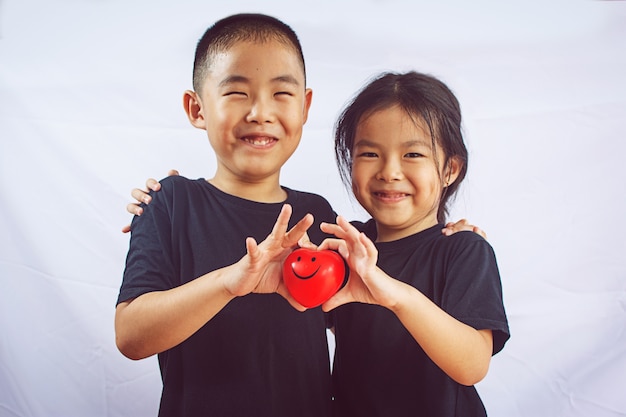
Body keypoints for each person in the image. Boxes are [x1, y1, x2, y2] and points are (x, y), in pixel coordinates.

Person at [115, 13, 337, 417]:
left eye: (281, 94)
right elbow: (131, 336)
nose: (259, 112)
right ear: (197, 108)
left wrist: (448, 230)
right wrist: (231, 282)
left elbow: (366, 313)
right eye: (237, 92)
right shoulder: (169, 203)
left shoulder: (317, 215)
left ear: (305, 107)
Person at [317, 71, 510, 416]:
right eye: (370, 154)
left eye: (413, 155)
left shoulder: (463, 250)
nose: (389, 171)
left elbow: (472, 365)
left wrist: (395, 296)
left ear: (451, 168)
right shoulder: (345, 244)